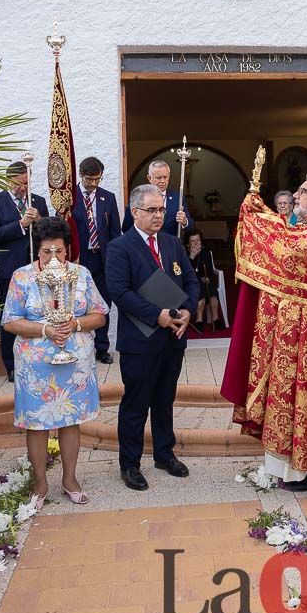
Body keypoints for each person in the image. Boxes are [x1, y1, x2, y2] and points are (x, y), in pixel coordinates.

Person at [222, 173, 307, 491]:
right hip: (287, 326)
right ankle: (289, 465)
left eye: (302, 191)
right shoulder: (304, 225)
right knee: (285, 392)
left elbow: (289, 249)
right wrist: (263, 215)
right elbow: (284, 237)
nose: (295, 195)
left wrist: (256, 216)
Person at [2, 216, 107, 503]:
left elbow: (99, 314)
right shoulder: (22, 277)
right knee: (37, 423)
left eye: (58, 251)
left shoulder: (82, 274)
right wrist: (44, 329)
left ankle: (70, 478)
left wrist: (75, 324)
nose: (53, 257)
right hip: (35, 366)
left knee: (70, 419)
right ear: (37, 249)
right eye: (47, 251)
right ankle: (39, 483)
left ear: (67, 250)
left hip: (75, 362)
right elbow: (10, 320)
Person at [106, 184, 200, 491]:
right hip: (140, 340)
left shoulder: (172, 243)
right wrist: (155, 315)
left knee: (164, 399)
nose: (159, 215)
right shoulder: (120, 247)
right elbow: (120, 292)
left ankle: (164, 454)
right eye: (152, 210)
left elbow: (190, 279)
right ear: (135, 212)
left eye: (161, 210)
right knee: (136, 403)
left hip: (172, 339)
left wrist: (187, 311)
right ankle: (129, 464)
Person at [0, 161, 49, 379]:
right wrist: (21, 224)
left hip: (36, 269)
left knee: (38, 312)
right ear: (8, 180)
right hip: (7, 268)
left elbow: (47, 233)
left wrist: (39, 221)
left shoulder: (37, 201)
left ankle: (38, 358)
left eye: (27, 183)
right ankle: (11, 365)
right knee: (10, 317)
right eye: (20, 184)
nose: (24, 188)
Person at [72, 156, 122, 364]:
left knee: (102, 304)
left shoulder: (107, 198)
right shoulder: (69, 197)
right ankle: (79, 346)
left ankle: (102, 348)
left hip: (102, 259)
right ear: (81, 176)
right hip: (79, 259)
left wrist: (116, 261)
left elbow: (115, 233)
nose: (93, 184)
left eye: (97, 180)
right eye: (89, 179)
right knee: (78, 304)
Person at [121, 160, 192, 237]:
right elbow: (126, 228)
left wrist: (185, 221)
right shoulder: (138, 197)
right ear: (149, 178)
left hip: (169, 246)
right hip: (143, 246)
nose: (162, 181)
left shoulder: (177, 199)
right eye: (158, 177)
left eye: (165, 177)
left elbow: (191, 227)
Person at [186, 228, 221, 332]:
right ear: (188, 243)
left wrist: (205, 277)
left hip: (204, 280)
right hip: (191, 282)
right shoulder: (184, 253)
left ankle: (215, 319)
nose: (196, 243)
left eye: (198, 240)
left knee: (213, 294)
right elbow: (186, 271)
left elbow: (210, 270)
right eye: (193, 241)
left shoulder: (205, 252)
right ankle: (199, 320)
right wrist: (192, 256)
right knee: (200, 294)